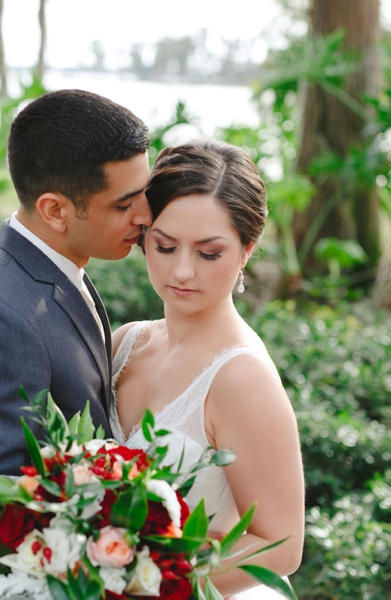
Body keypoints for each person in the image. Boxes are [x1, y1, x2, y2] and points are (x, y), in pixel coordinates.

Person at [0, 89, 151, 600]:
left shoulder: (52, 264)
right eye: (124, 203)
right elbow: (6, 511)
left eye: (145, 192)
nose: (145, 215)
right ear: (55, 209)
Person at [110, 139, 305, 598]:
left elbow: (281, 546)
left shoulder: (241, 378)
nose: (181, 271)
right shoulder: (125, 343)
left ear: (247, 250)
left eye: (208, 253)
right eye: (164, 245)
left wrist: (144, 583)